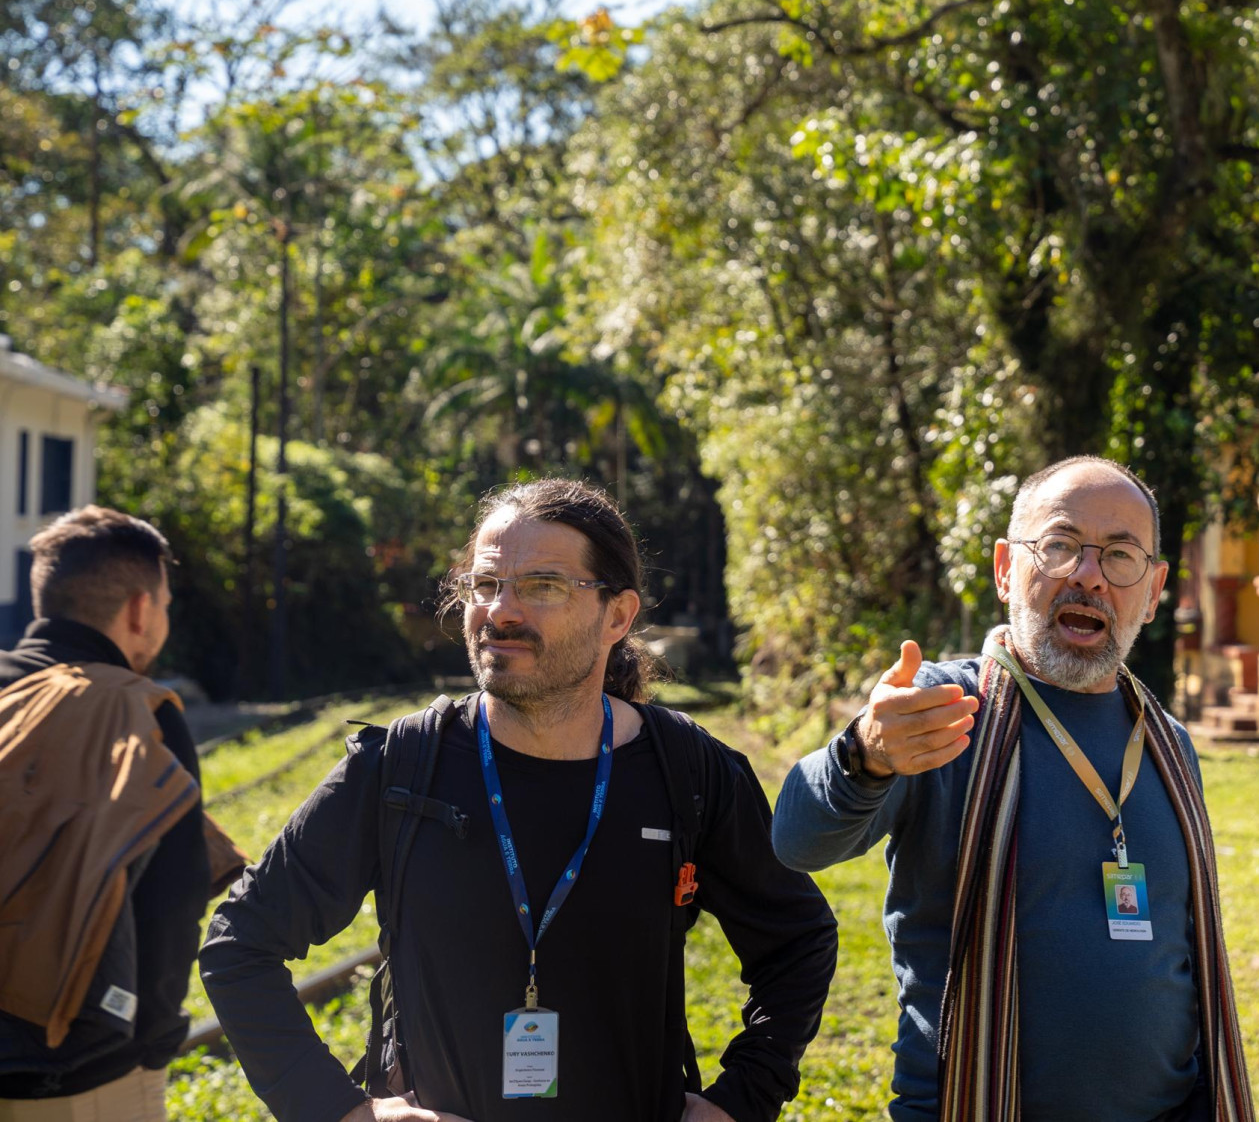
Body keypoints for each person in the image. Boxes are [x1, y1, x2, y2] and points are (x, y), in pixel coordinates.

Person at [199, 479, 838, 1122]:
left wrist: (742, 1099)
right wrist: (339, 1112)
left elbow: (798, 939)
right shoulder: (401, 766)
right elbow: (240, 942)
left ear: (616, 616)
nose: (500, 611)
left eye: (542, 586)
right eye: (485, 585)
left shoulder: (690, 772)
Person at [773, 456, 1253, 1122]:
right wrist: (864, 754)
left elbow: (1183, 959)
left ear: (1153, 588)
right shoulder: (943, 709)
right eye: (1059, 546)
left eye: (1119, 556)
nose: (1087, 576)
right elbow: (796, 840)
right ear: (1004, 568)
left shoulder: (1167, 741)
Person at [0, 508, 210, 1122]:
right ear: (140, 609)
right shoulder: (138, 711)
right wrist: (151, 1043)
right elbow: (173, 898)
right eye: (165, 605)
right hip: (83, 1070)